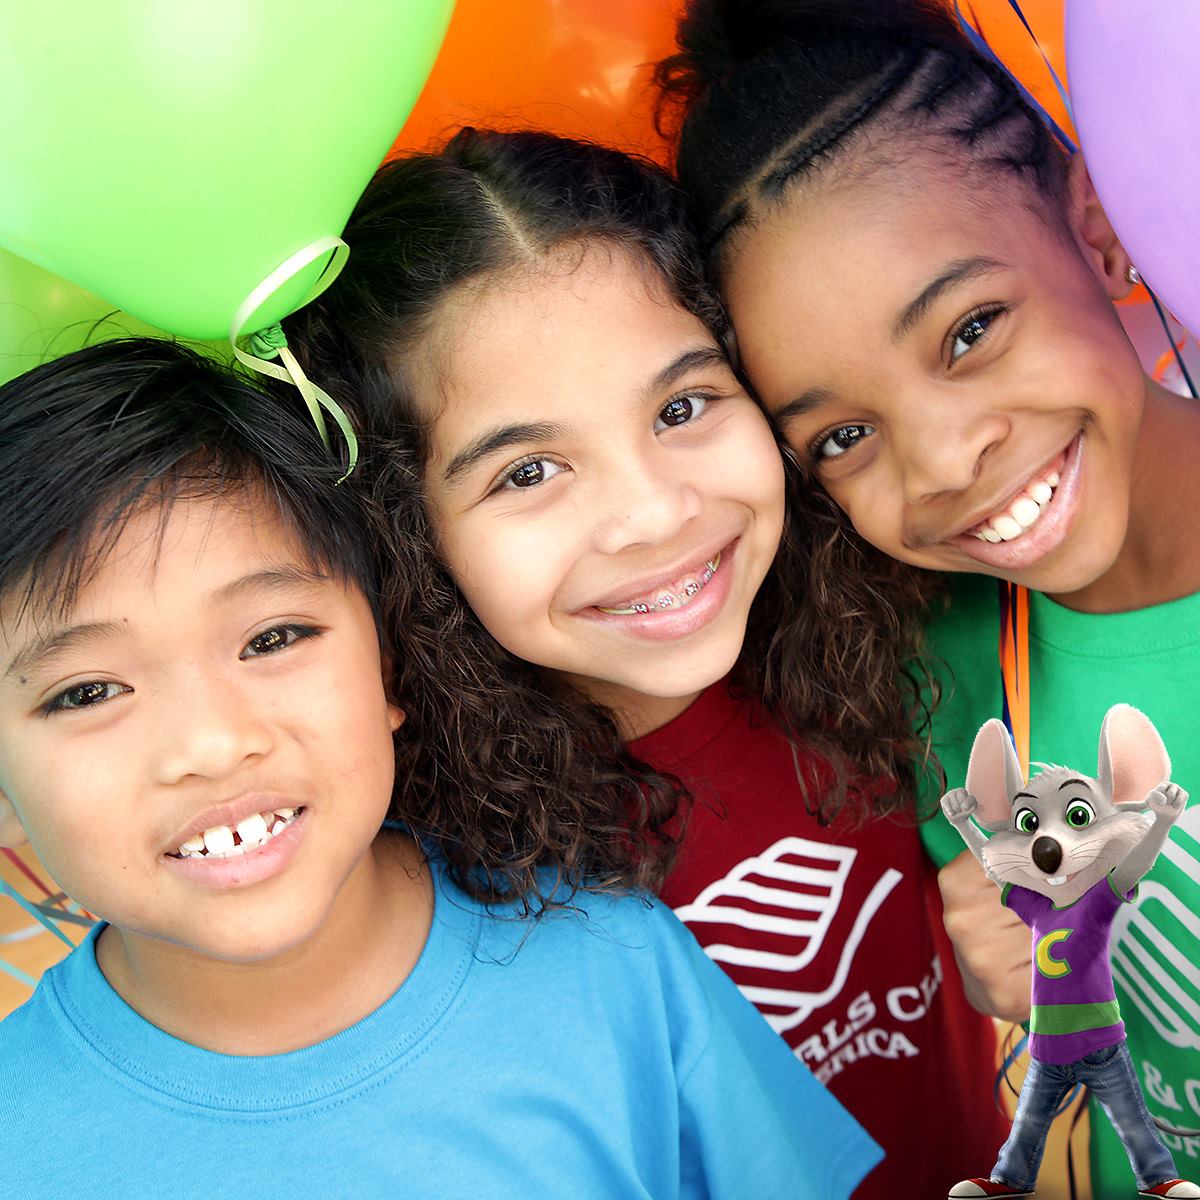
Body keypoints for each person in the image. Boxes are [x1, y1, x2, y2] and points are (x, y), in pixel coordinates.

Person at [283, 126, 1012, 1198]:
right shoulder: (412, 875)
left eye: (681, 408)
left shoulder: (906, 627)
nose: (656, 512)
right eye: (529, 472)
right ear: (406, 535)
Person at [0, 338, 879, 1199]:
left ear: (388, 665)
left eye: (273, 638)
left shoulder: (610, 958)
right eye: (87, 692)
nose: (212, 744)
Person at [654, 1, 1200, 1195]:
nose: (944, 461)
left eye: (971, 330)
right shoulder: (944, 665)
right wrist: (1027, 980)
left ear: (1099, 225)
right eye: (844, 436)